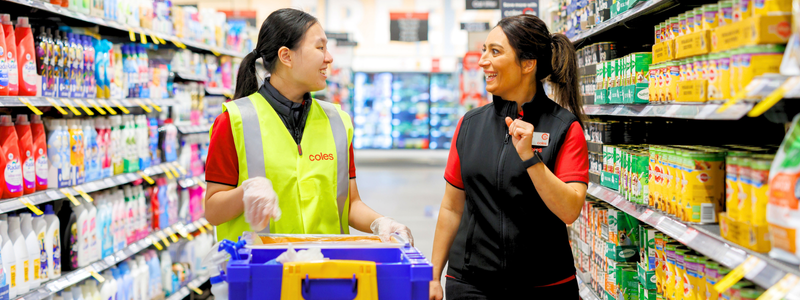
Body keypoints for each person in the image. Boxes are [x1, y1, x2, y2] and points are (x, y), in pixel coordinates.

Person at [204, 8, 412, 244]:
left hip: (326, 271)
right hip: (262, 273)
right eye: (320, 47)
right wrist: (246, 193)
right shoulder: (235, 121)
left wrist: (382, 223)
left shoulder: (338, 122)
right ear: (286, 56)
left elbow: (350, 203)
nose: (329, 57)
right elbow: (213, 211)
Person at [429, 14, 589, 299]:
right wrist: (433, 276)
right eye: (484, 50)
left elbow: (569, 210)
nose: (482, 61)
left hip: (544, 285)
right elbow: (452, 208)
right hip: (471, 284)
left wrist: (530, 158)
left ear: (527, 64)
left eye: (495, 52)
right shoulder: (470, 125)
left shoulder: (564, 127)